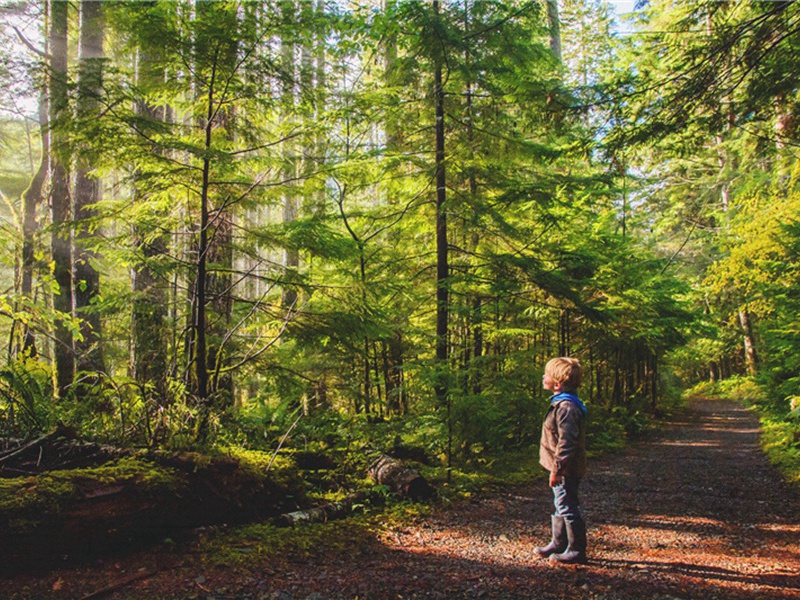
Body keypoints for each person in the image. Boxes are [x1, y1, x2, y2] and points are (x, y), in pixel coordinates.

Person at [534, 357, 588, 564]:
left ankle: (576, 549)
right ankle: (558, 542)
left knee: (567, 505)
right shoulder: (562, 404)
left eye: (546, 375)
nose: (543, 377)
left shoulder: (567, 408)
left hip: (567, 468)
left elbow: (567, 443)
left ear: (558, 383)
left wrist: (558, 469)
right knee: (560, 503)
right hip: (562, 467)